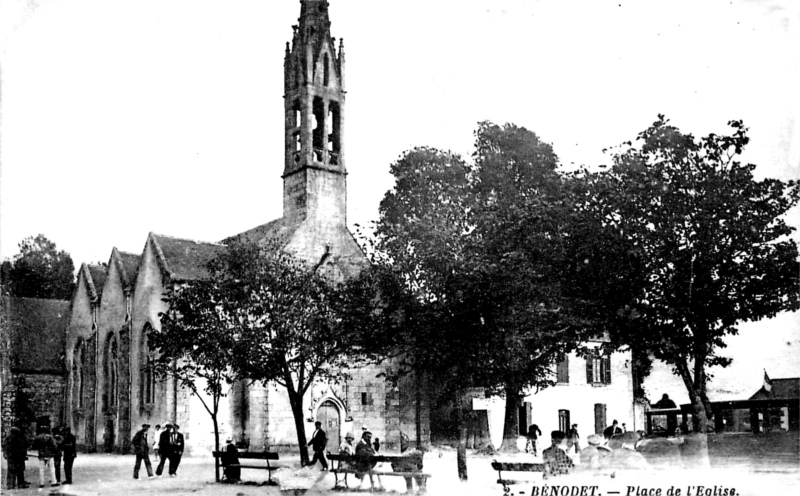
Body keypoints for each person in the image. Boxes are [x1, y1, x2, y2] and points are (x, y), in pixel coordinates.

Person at [33, 425, 60, 490]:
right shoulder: (50, 437)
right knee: (52, 469)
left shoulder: (37, 437)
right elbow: (54, 446)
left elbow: (35, 446)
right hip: (50, 455)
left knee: (41, 469)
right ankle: (54, 482)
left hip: (41, 455)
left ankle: (42, 483)